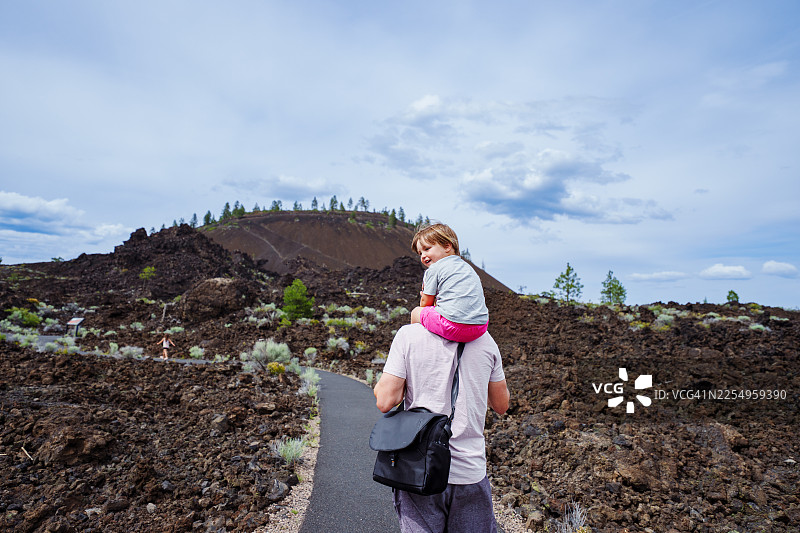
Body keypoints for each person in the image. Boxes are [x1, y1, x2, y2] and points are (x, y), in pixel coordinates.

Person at [374, 324, 510, 532]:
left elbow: (385, 401)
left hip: (421, 470)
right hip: (469, 471)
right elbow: (501, 405)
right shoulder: (486, 341)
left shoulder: (409, 335)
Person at [409, 223, 489, 343]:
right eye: (420, 253)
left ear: (447, 246)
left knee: (416, 312)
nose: (423, 256)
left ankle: (414, 342)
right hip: (480, 327)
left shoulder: (434, 269)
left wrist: (425, 303)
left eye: (427, 249)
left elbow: (426, 303)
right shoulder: (467, 268)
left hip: (453, 326)